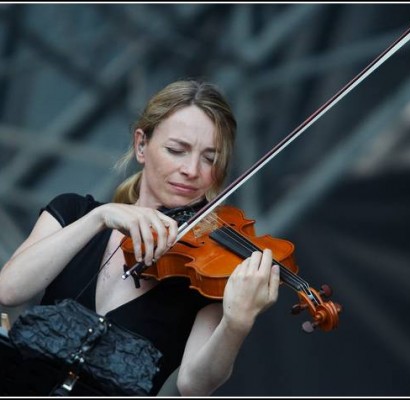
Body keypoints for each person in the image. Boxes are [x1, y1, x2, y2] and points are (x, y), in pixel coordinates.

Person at [0, 79, 280, 396]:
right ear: (141, 146)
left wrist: (236, 324)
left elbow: (194, 386)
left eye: (210, 158)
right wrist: (98, 218)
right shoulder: (75, 212)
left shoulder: (207, 272)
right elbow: (8, 290)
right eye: (177, 150)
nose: (192, 169)